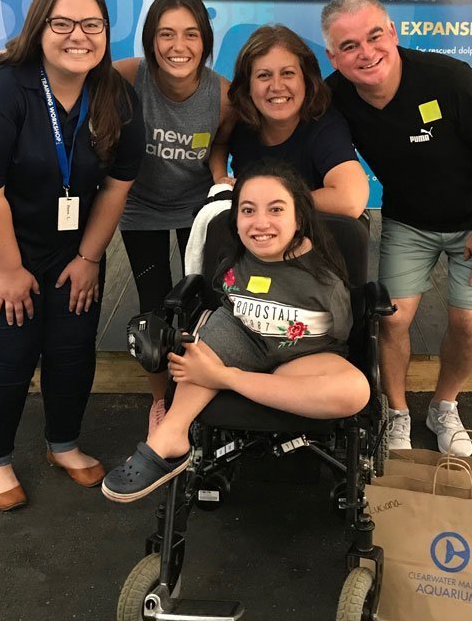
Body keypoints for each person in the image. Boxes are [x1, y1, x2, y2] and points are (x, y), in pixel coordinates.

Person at [0, 0, 145, 510]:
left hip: (67, 237)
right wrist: (8, 272)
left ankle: (64, 444)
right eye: (63, 24)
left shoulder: (116, 97)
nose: (78, 36)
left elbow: (117, 188)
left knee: (72, 342)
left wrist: (89, 258)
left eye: (92, 25)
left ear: (106, 32)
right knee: (11, 349)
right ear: (40, 29)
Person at [321, 0, 472, 457]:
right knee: (392, 319)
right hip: (409, 220)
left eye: (374, 36)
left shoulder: (450, 79)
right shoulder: (333, 97)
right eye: (349, 46)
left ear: (393, 32)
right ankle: (397, 411)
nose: (366, 53)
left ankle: (444, 404)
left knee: (468, 320)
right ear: (333, 55)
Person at [101, 161, 370, 502]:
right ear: (236, 218)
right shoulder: (234, 258)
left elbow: (343, 333)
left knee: (356, 391)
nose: (261, 223)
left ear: (298, 217)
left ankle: (221, 377)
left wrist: (223, 375)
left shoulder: (323, 278)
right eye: (248, 210)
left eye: (276, 210)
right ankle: (170, 435)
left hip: (304, 355)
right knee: (203, 339)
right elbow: (222, 305)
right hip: (243, 338)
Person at [113, 0, 233, 439]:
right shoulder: (127, 76)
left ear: (204, 40)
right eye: (166, 34)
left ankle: (196, 394)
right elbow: (69, 76)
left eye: (190, 34)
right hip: (140, 209)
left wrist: (221, 176)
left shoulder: (222, 95)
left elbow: (220, 141)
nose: (177, 47)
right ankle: (161, 402)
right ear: (150, 39)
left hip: (193, 209)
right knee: (153, 306)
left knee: (199, 304)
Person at [210, 24, 369, 219]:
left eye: (287, 73)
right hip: (255, 233)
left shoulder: (323, 124)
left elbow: (351, 200)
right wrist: (220, 179)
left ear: (306, 80)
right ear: (248, 86)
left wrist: (275, 203)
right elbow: (220, 142)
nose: (276, 86)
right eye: (264, 75)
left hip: (314, 232)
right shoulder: (240, 118)